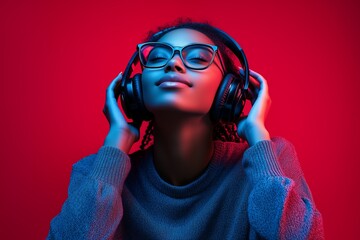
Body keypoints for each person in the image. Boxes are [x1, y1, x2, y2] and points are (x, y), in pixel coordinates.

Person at [47, 19, 324, 239]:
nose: (173, 63)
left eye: (198, 57)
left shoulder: (273, 160)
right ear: (135, 89)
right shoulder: (96, 174)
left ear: (231, 90)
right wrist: (115, 144)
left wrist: (257, 138)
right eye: (157, 57)